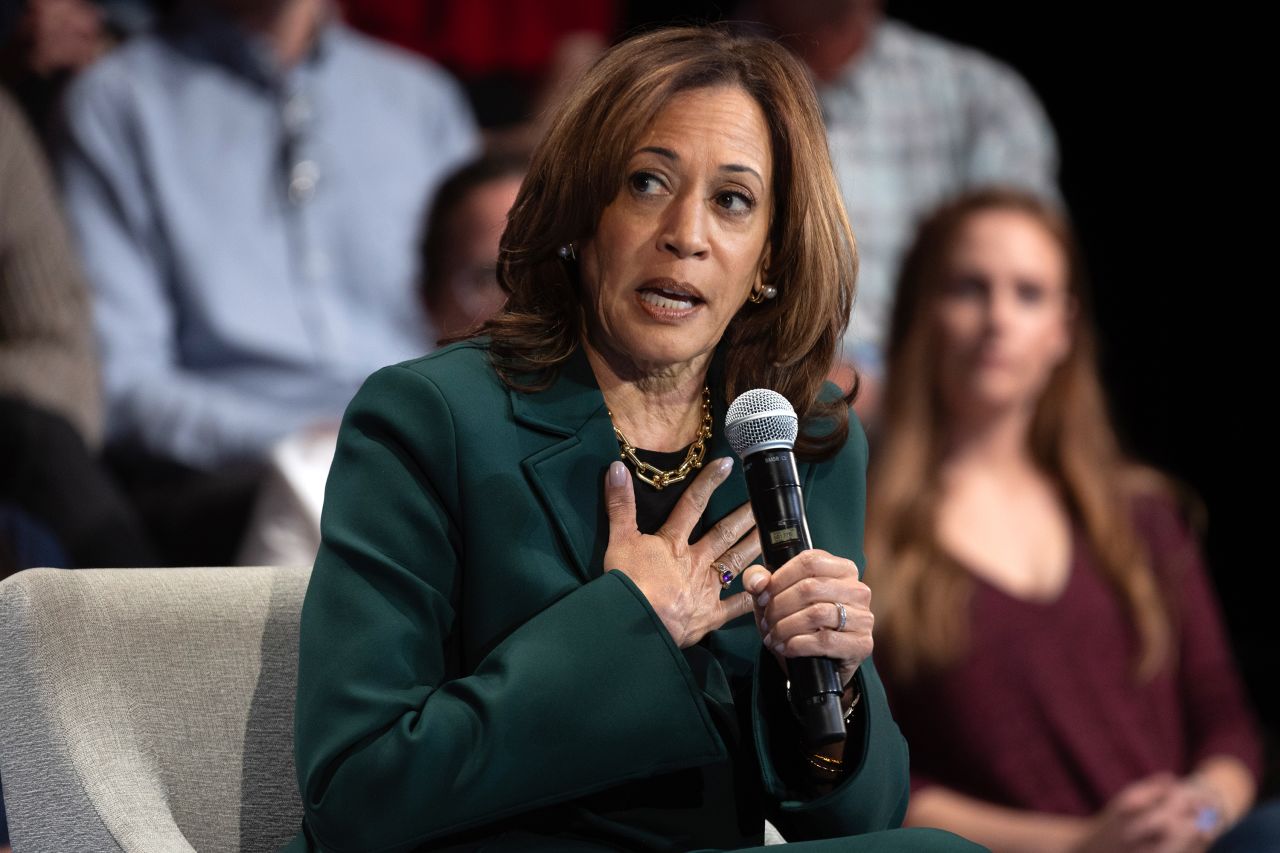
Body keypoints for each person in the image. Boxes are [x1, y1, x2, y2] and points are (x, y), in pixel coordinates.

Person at [288, 26, 980, 853]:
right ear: (584, 214)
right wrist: (625, 624)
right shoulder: (429, 417)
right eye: (648, 183)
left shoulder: (797, 439)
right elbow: (356, 792)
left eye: (732, 201)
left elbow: (856, 819)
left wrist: (829, 677)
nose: (686, 233)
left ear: (767, 254)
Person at [863, 187, 1275, 852]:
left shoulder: (1139, 514)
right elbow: (887, 789)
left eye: (1028, 293)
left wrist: (1198, 812)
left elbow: (1223, 715)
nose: (998, 317)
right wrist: (1084, 842)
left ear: (1063, 329)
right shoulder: (870, 536)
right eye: (970, 287)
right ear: (922, 311)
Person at [57, 0, 479, 563]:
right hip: (229, 481)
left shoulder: (421, 101)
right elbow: (126, 387)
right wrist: (315, 441)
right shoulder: (117, 103)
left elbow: (493, 322)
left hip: (428, 450)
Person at [746, 0, 1058, 423]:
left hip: (935, 434)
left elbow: (1031, 310)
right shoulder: (690, 84)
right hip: (744, 423)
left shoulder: (982, 102)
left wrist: (888, 390)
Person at [237, 153, 524, 567]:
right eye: (491, 278)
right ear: (428, 299)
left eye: (549, 269)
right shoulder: (316, 479)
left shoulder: (630, 464)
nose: (524, 303)